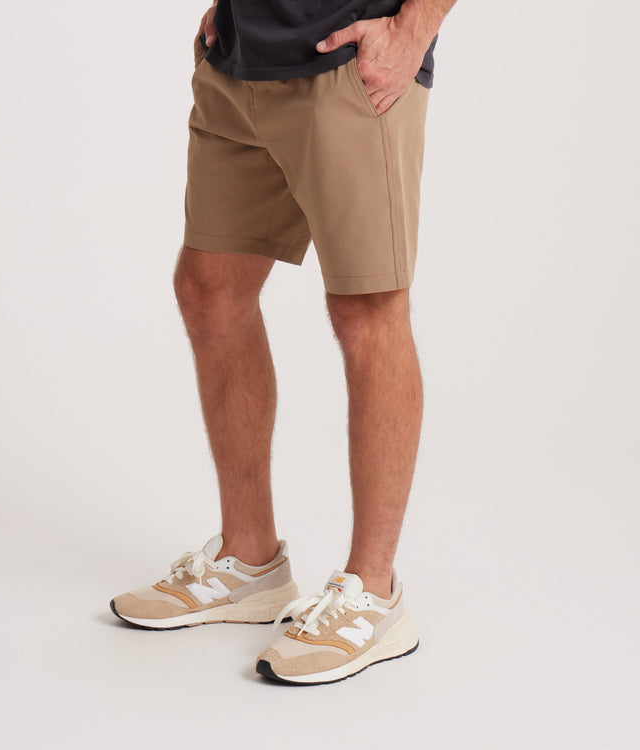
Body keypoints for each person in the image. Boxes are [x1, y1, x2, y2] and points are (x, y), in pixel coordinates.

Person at [110, 0, 457, 685]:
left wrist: (413, 29)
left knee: (367, 308)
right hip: (240, 59)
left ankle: (374, 595)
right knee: (209, 288)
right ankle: (249, 562)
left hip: (350, 64)